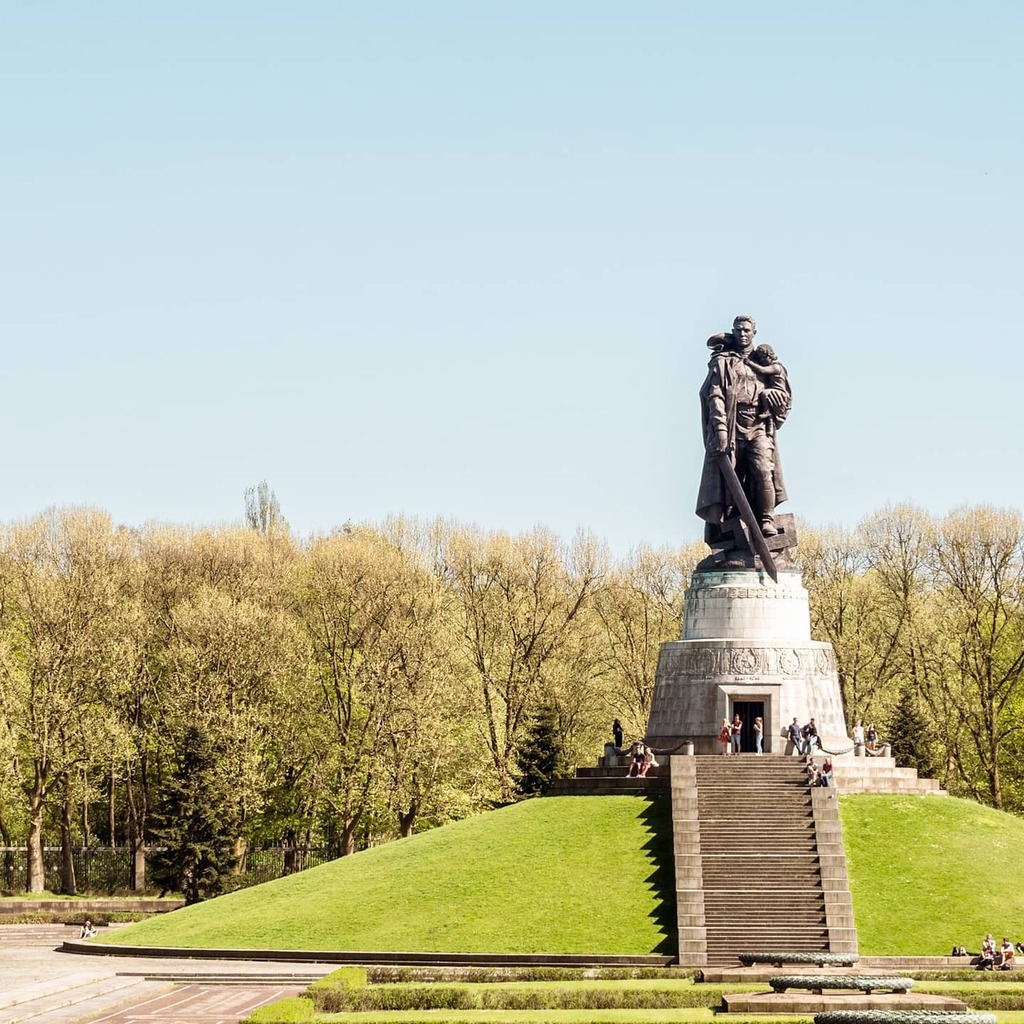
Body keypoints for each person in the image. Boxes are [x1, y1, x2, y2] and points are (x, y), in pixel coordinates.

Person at [696, 316, 792, 539]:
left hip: (758, 423)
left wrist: (776, 398)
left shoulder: (765, 361)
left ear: (754, 333)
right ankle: (731, 530)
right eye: (738, 330)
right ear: (733, 331)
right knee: (731, 478)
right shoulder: (722, 361)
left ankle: (766, 519)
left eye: (746, 330)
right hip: (731, 425)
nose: (742, 333)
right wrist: (719, 428)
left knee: (763, 470)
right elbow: (714, 394)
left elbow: (783, 395)